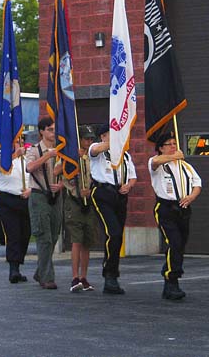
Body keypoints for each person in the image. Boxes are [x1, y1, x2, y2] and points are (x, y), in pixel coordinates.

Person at [149, 132, 202, 300]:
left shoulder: (185, 166)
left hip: (183, 208)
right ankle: (172, 279)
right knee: (174, 242)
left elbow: (197, 184)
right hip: (165, 208)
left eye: (174, 143)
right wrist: (172, 156)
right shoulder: (157, 164)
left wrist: (191, 197)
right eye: (169, 144)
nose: (173, 147)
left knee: (180, 245)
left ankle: (170, 279)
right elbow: (155, 162)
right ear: (161, 148)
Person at [89, 124, 137, 295]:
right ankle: (109, 273)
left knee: (118, 236)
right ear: (103, 136)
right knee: (113, 233)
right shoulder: (97, 149)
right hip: (102, 193)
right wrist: (115, 141)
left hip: (119, 195)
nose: (117, 136)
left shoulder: (125, 155)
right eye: (112, 134)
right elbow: (96, 150)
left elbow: (133, 176)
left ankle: (112, 274)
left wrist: (128, 186)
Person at [25, 117, 63, 290]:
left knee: (54, 236)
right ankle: (47, 277)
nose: (53, 132)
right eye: (50, 129)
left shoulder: (62, 149)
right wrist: (47, 155)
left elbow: (69, 171)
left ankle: (40, 271)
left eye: (55, 129)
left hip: (56, 195)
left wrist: (61, 184)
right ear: (42, 131)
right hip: (39, 195)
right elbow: (29, 167)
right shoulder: (34, 150)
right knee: (44, 237)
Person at [0, 139, 31, 283]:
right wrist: (14, 155)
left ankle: (18, 265)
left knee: (25, 234)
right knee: (13, 233)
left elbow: (34, 177)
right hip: (7, 200)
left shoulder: (27, 160)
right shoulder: (0, 159)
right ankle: (13, 269)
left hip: (25, 199)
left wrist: (30, 190)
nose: (19, 144)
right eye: (16, 142)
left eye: (21, 142)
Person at [63, 125, 97, 293]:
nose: (89, 142)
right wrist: (72, 158)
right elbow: (58, 171)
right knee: (76, 240)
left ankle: (84, 277)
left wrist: (91, 191)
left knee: (87, 241)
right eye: (86, 139)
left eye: (91, 139)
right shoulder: (71, 156)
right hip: (74, 201)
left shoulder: (94, 157)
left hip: (89, 201)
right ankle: (75, 277)